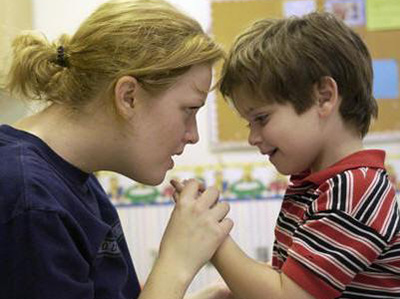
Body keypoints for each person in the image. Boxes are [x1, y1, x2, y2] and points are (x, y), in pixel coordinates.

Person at [0, 0, 235, 298]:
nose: (193, 135)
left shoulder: (72, 179)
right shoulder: (28, 200)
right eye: (188, 110)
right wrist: (177, 261)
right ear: (128, 97)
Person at [192, 12, 400, 299]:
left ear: (324, 97)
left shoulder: (354, 190)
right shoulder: (321, 184)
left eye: (261, 119)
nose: (253, 137)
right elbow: (295, 276)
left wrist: (211, 236)